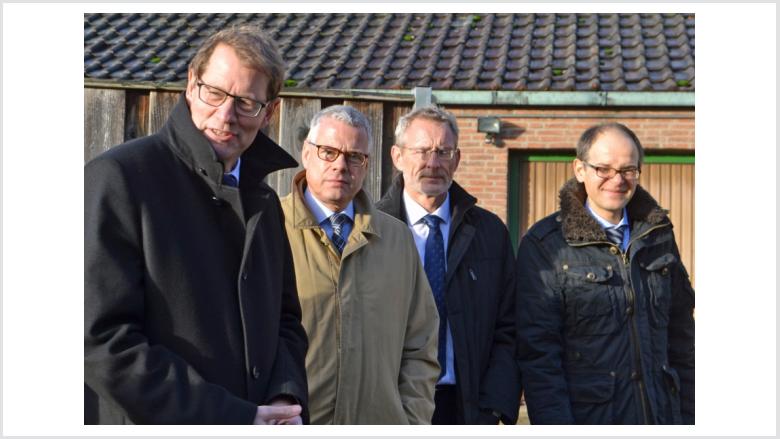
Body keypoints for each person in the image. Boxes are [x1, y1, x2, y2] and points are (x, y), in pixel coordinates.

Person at [84, 25, 309, 425]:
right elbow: (101, 340)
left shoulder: (266, 203)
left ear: (270, 112)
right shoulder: (118, 178)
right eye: (215, 93)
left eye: (245, 103)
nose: (225, 115)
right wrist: (231, 417)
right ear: (191, 84)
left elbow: (285, 322)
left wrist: (283, 398)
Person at [515, 122, 695, 424]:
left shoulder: (658, 235)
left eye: (628, 170)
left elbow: (681, 338)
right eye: (604, 169)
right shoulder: (546, 244)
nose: (617, 180)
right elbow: (539, 355)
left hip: (662, 415)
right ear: (580, 169)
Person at [280, 105, 440, 424]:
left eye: (355, 156)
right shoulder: (269, 226)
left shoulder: (397, 239)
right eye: (328, 152)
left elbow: (420, 344)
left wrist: (411, 421)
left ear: (366, 165)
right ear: (306, 154)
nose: (341, 166)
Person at [376, 105, 521, 425]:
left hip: (466, 406)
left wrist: (495, 406)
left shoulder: (489, 233)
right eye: (422, 150)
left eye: (444, 151)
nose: (433, 163)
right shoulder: (371, 231)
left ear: (456, 159)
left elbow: (509, 327)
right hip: (390, 405)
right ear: (397, 156)